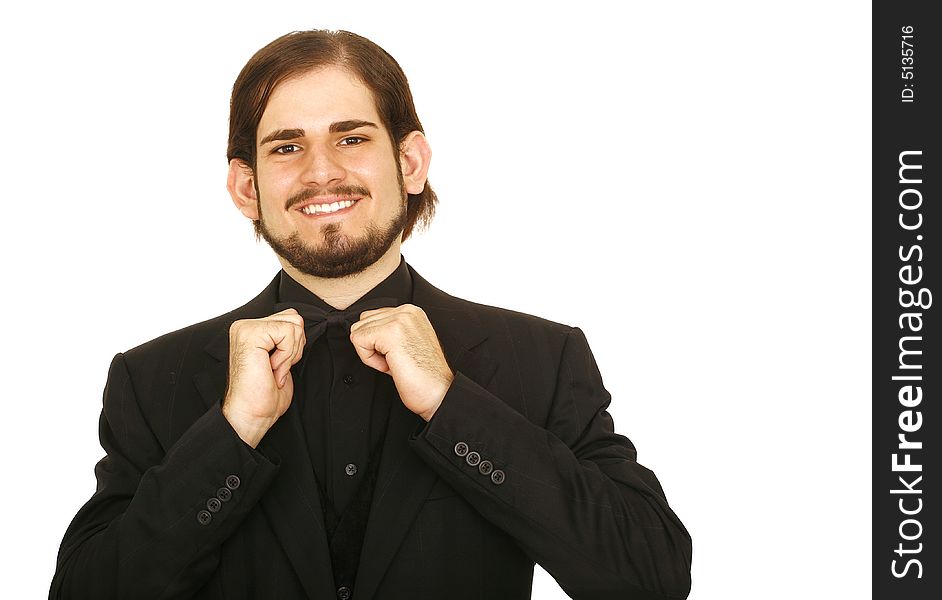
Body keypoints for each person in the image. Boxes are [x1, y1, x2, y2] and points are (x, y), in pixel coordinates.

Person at [50, 29, 692, 600]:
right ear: (247, 188)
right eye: (285, 147)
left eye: (352, 138)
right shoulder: (151, 377)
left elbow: (652, 575)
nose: (321, 172)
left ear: (409, 163)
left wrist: (452, 405)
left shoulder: (541, 358)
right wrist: (231, 432)